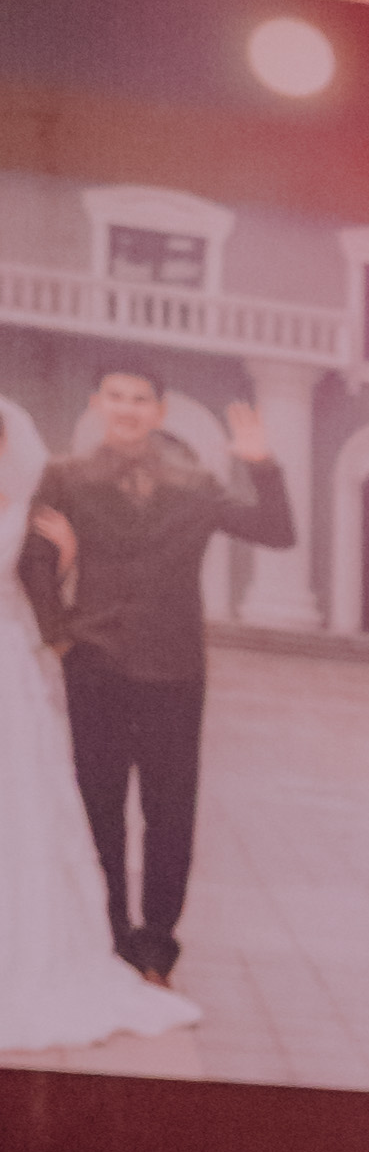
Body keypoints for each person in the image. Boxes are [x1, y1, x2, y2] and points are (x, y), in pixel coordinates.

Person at [18, 362, 294, 985]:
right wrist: (60, 634)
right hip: (96, 666)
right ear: (97, 403)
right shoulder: (65, 476)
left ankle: (158, 947)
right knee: (101, 807)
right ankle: (113, 937)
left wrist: (262, 465)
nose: (127, 408)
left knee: (171, 814)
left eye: (140, 399)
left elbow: (276, 532)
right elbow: (35, 560)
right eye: (116, 396)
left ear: (159, 412)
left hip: (175, 670)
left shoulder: (196, 483)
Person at [0, 397, 203, 1047]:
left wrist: (64, 562)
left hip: (12, 667)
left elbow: (27, 572)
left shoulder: (22, 503)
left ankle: (56, 944)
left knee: (24, 806)